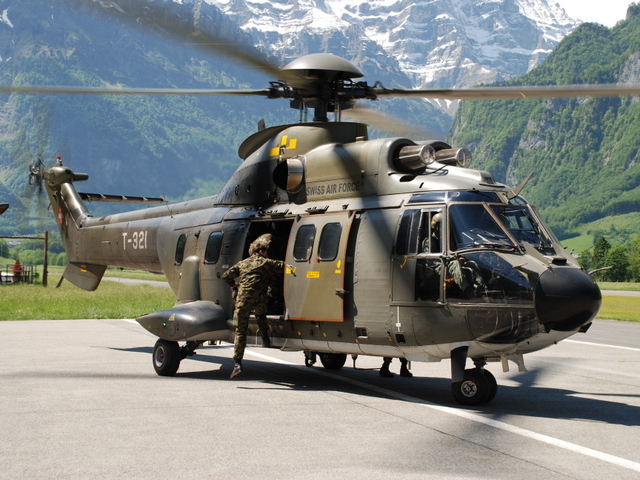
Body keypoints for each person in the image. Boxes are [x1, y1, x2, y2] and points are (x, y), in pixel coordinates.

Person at [222, 233, 284, 379]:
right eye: (266, 251)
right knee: (261, 314)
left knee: (240, 332)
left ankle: (237, 364)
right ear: (261, 251)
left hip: (243, 301)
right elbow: (284, 266)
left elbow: (225, 275)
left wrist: (233, 286)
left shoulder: (242, 263)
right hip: (259, 299)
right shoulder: (266, 262)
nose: (267, 253)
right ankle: (265, 336)